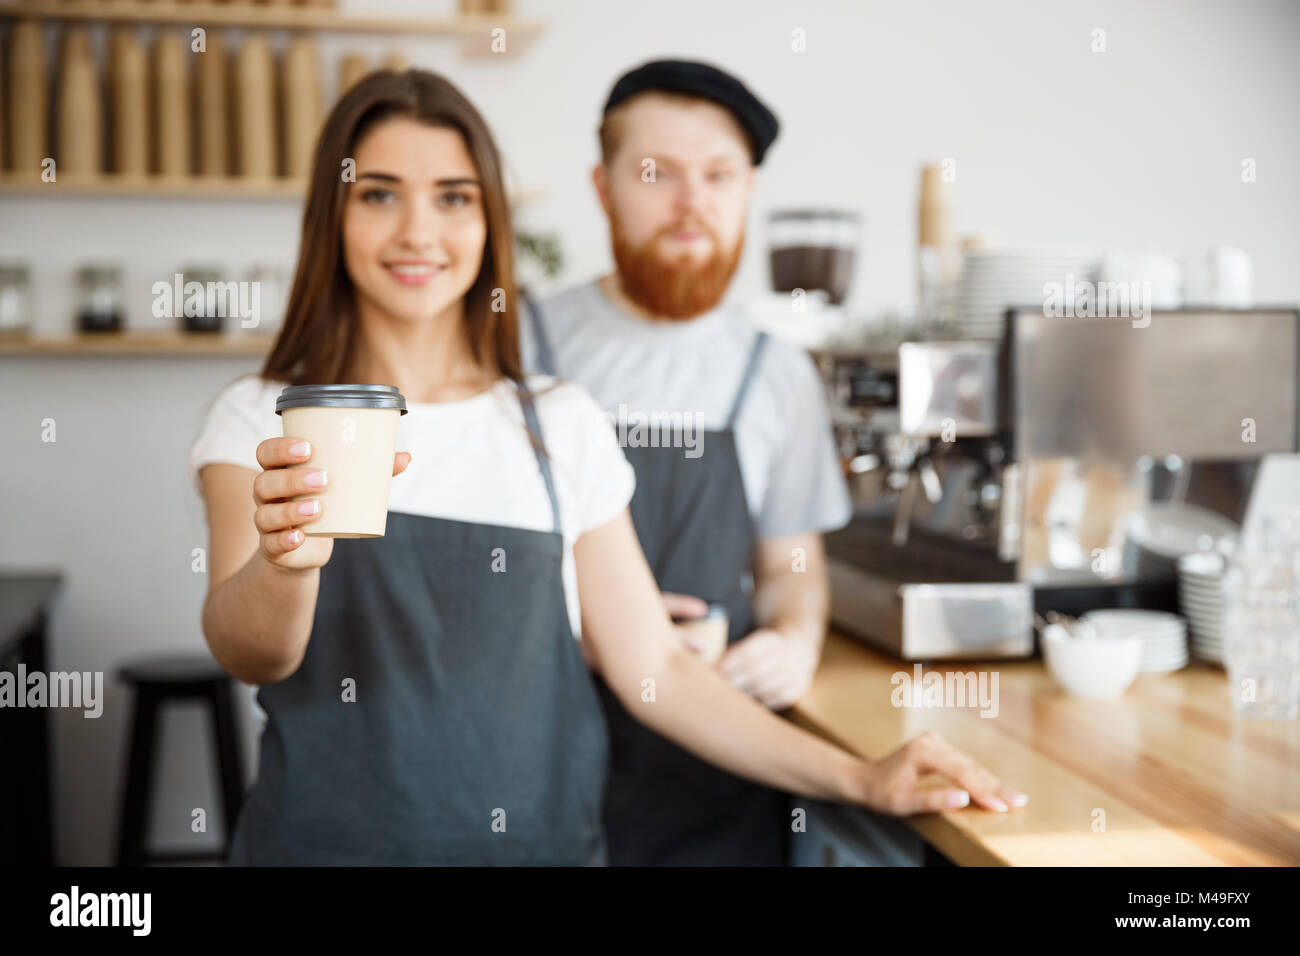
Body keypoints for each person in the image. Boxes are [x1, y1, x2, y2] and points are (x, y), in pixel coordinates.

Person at [190, 69, 1026, 866]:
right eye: (379, 194)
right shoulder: (262, 414)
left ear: (489, 224)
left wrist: (861, 778)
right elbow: (250, 651)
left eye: (454, 197)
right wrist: (285, 562)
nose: (419, 231)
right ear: (332, 216)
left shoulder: (557, 420)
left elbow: (654, 669)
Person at [520, 59, 859, 865]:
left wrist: (794, 636)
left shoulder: (775, 371)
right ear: (603, 188)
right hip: (537, 776)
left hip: (719, 783)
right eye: (656, 174)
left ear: (746, 190)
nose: (691, 201)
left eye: (719, 175)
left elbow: (792, 567)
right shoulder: (520, 344)